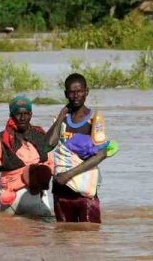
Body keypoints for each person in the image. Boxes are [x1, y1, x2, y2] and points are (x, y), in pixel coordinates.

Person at [45, 73, 117, 223]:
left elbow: (100, 155)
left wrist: (68, 175)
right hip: (61, 191)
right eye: (72, 92)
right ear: (66, 94)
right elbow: (48, 145)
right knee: (63, 238)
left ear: (87, 91)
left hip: (84, 191)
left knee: (89, 238)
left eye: (80, 91)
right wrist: (60, 116)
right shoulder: (62, 119)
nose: (76, 95)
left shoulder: (94, 119)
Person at [0, 95, 53, 218]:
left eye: (26, 114)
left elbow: (49, 163)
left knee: (42, 229)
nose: (22, 118)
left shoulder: (40, 135)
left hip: (37, 192)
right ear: (11, 115)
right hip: (11, 195)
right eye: (18, 114)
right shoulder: (2, 139)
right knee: (12, 232)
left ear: (31, 114)